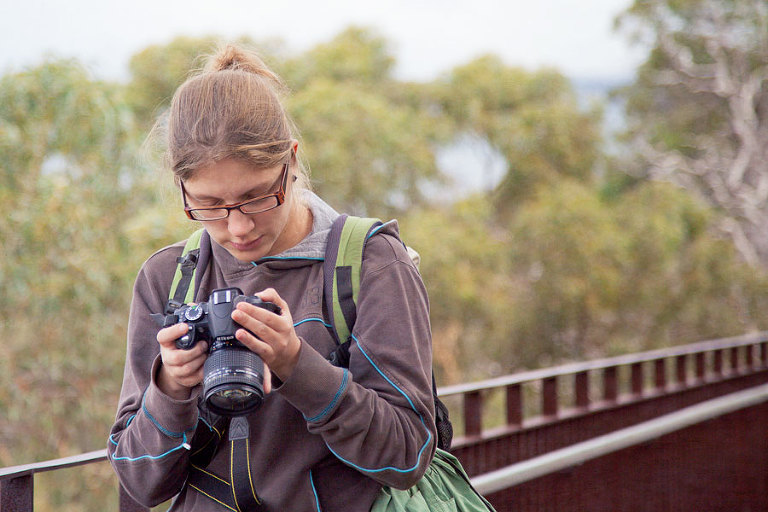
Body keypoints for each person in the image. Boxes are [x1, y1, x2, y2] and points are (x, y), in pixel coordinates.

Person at [107, 43, 436, 511]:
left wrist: (297, 365)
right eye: (209, 206)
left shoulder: (371, 264)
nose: (237, 228)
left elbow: (407, 455)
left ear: (292, 163)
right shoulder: (167, 278)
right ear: (181, 188)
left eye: (257, 197)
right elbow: (140, 486)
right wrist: (171, 389)